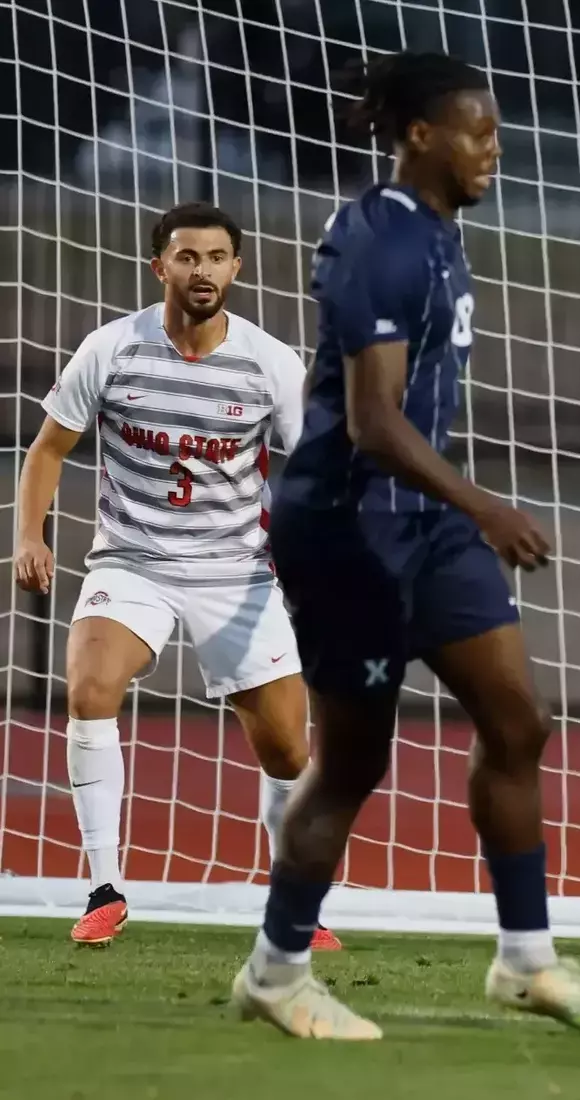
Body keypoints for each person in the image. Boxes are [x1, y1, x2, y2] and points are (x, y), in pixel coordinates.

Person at [228, 50, 580, 1040]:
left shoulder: (442, 233)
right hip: (349, 528)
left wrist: (460, 512)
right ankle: (277, 971)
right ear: (420, 136)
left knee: (517, 725)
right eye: (476, 130)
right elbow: (371, 421)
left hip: (428, 525)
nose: (493, 148)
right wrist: (486, 506)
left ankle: (526, 959)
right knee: (353, 764)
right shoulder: (380, 239)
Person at [14, 202, 339, 953]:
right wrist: (29, 533)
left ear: (238, 268)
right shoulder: (111, 348)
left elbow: (317, 466)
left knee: (290, 752)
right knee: (90, 686)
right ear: (160, 267)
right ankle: (103, 890)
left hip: (237, 574)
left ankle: (295, 903)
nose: (204, 270)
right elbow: (47, 450)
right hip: (133, 564)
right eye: (188, 257)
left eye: (218, 256)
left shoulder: (268, 361)